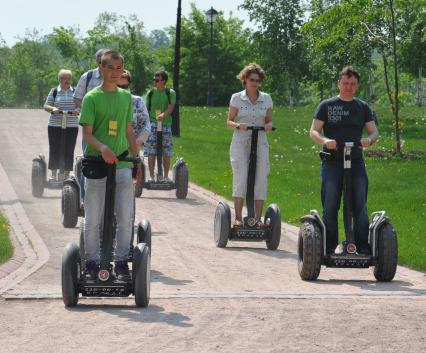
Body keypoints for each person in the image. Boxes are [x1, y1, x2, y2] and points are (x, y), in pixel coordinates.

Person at [79, 50, 138, 280]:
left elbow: (129, 130)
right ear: (101, 68)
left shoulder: (126, 98)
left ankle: (122, 262)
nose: (115, 73)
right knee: (93, 218)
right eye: (110, 68)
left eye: (119, 68)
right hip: (97, 164)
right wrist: (102, 148)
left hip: (122, 163)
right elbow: (87, 135)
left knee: (125, 217)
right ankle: (92, 262)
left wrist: (136, 159)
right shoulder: (91, 98)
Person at [309, 66, 379, 255]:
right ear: (339, 83)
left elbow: (374, 131)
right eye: (345, 83)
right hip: (332, 161)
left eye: (353, 84)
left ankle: (361, 246)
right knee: (330, 206)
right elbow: (314, 131)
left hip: (355, 161)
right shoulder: (327, 105)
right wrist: (325, 140)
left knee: (359, 206)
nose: (349, 87)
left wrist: (369, 140)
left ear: (357, 86)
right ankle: (329, 247)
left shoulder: (362, 107)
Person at [227, 63, 273, 227]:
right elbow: (229, 122)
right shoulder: (236, 97)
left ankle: (257, 219)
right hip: (241, 141)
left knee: (261, 177)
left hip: (260, 140)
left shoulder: (266, 98)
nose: (255, 82)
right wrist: (238, 125)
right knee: (241, 177)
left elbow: (268, 120)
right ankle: (238, 217)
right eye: (251, 79)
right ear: (245, 79)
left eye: (257, 80)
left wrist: (268, 125)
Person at [74, 48, 109, 200]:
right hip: (91, 127)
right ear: (98, 62)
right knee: (89, 162)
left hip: (111, 128)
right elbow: (77, 98)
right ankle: (84, 200)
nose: (106, 65)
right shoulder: (87, 77)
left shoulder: (115, 76)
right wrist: (87, 111)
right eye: (103, 62)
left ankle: (108, 201)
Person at [43, 69, 79, 181]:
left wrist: (77, 110)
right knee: (55, 148)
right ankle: (53, 175)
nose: (67, 80)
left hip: (72, 125)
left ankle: (67, 175)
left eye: (69, 78)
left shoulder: (75, 91)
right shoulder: (54, 91)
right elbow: (46, 106)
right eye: (64, 78)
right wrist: (53, 108)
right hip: (55, 125)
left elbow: (81, 105)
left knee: (69, 149)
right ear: (59, 80)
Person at [144, 70, 176, 182]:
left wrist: (164, 115)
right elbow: (146, 109)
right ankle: (152, 177)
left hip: (165, 124)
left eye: (157, 80)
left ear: (164, 81)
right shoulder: (151, 92)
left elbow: (171, 107)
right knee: (151, 151)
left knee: (166, 151)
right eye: (154, 79)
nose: (155, 82)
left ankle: (166, 176)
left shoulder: (170, 92)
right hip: (152, 124)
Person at [117, 70, 151, 148]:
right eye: (118, 86)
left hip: (131, 148)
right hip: (111, 148)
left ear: (129, 85)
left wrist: (138, 141)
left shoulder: (137, 101)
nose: (121, 90)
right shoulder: (108, 100)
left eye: (124, 87)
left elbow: (146, 125)